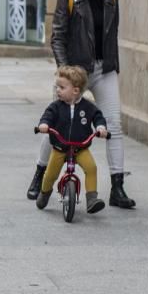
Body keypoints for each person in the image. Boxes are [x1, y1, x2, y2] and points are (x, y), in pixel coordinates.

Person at [25, 0, 135, 209]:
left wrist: (113, 65)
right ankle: (40, 175)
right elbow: (58, 37)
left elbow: (111, 37)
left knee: (113, 126)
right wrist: (66, 73)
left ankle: (117, 187)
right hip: (74, 71)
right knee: (56, 127)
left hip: (103, 69)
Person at [35, 65, 108, 213]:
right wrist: (43, 125)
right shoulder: (56, 106)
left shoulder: (88, 107)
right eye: (57, 87)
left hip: (81, 148)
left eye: (62, 87)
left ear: (75, 90)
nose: (57, 90)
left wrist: (101, 128)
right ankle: (44, 193)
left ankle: (92, 199)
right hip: (60, 147)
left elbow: (98, 117)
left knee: (91, 168)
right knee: (50, 174)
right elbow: (47, 116)